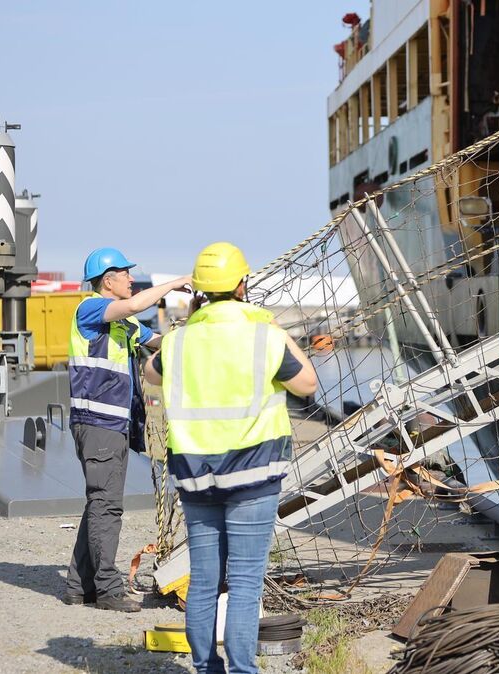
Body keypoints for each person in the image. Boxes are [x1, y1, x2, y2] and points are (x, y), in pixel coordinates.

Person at [144, 242, 316, 674]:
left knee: (203, 580)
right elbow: (308, 385)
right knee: (243, 582)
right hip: (254, 473)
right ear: (243, 285)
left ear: (199, 290)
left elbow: (150, 373)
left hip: (196, 475)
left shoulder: (180, 341)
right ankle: (242, 670)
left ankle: (206, 669)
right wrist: (274, 325)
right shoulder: (264, 335)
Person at [64, 248, 192, 611]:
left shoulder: (125, 325)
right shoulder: (89, 309)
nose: (131, 280)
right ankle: (107, 590)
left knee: (98, 505)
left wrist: (197, 330)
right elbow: (135, 306)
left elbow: (160, 343)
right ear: (108, 280)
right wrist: (179, 282)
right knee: (107, 507)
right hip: (97, 424)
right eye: (125, 274)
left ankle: (79, 586)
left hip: (115, 425)